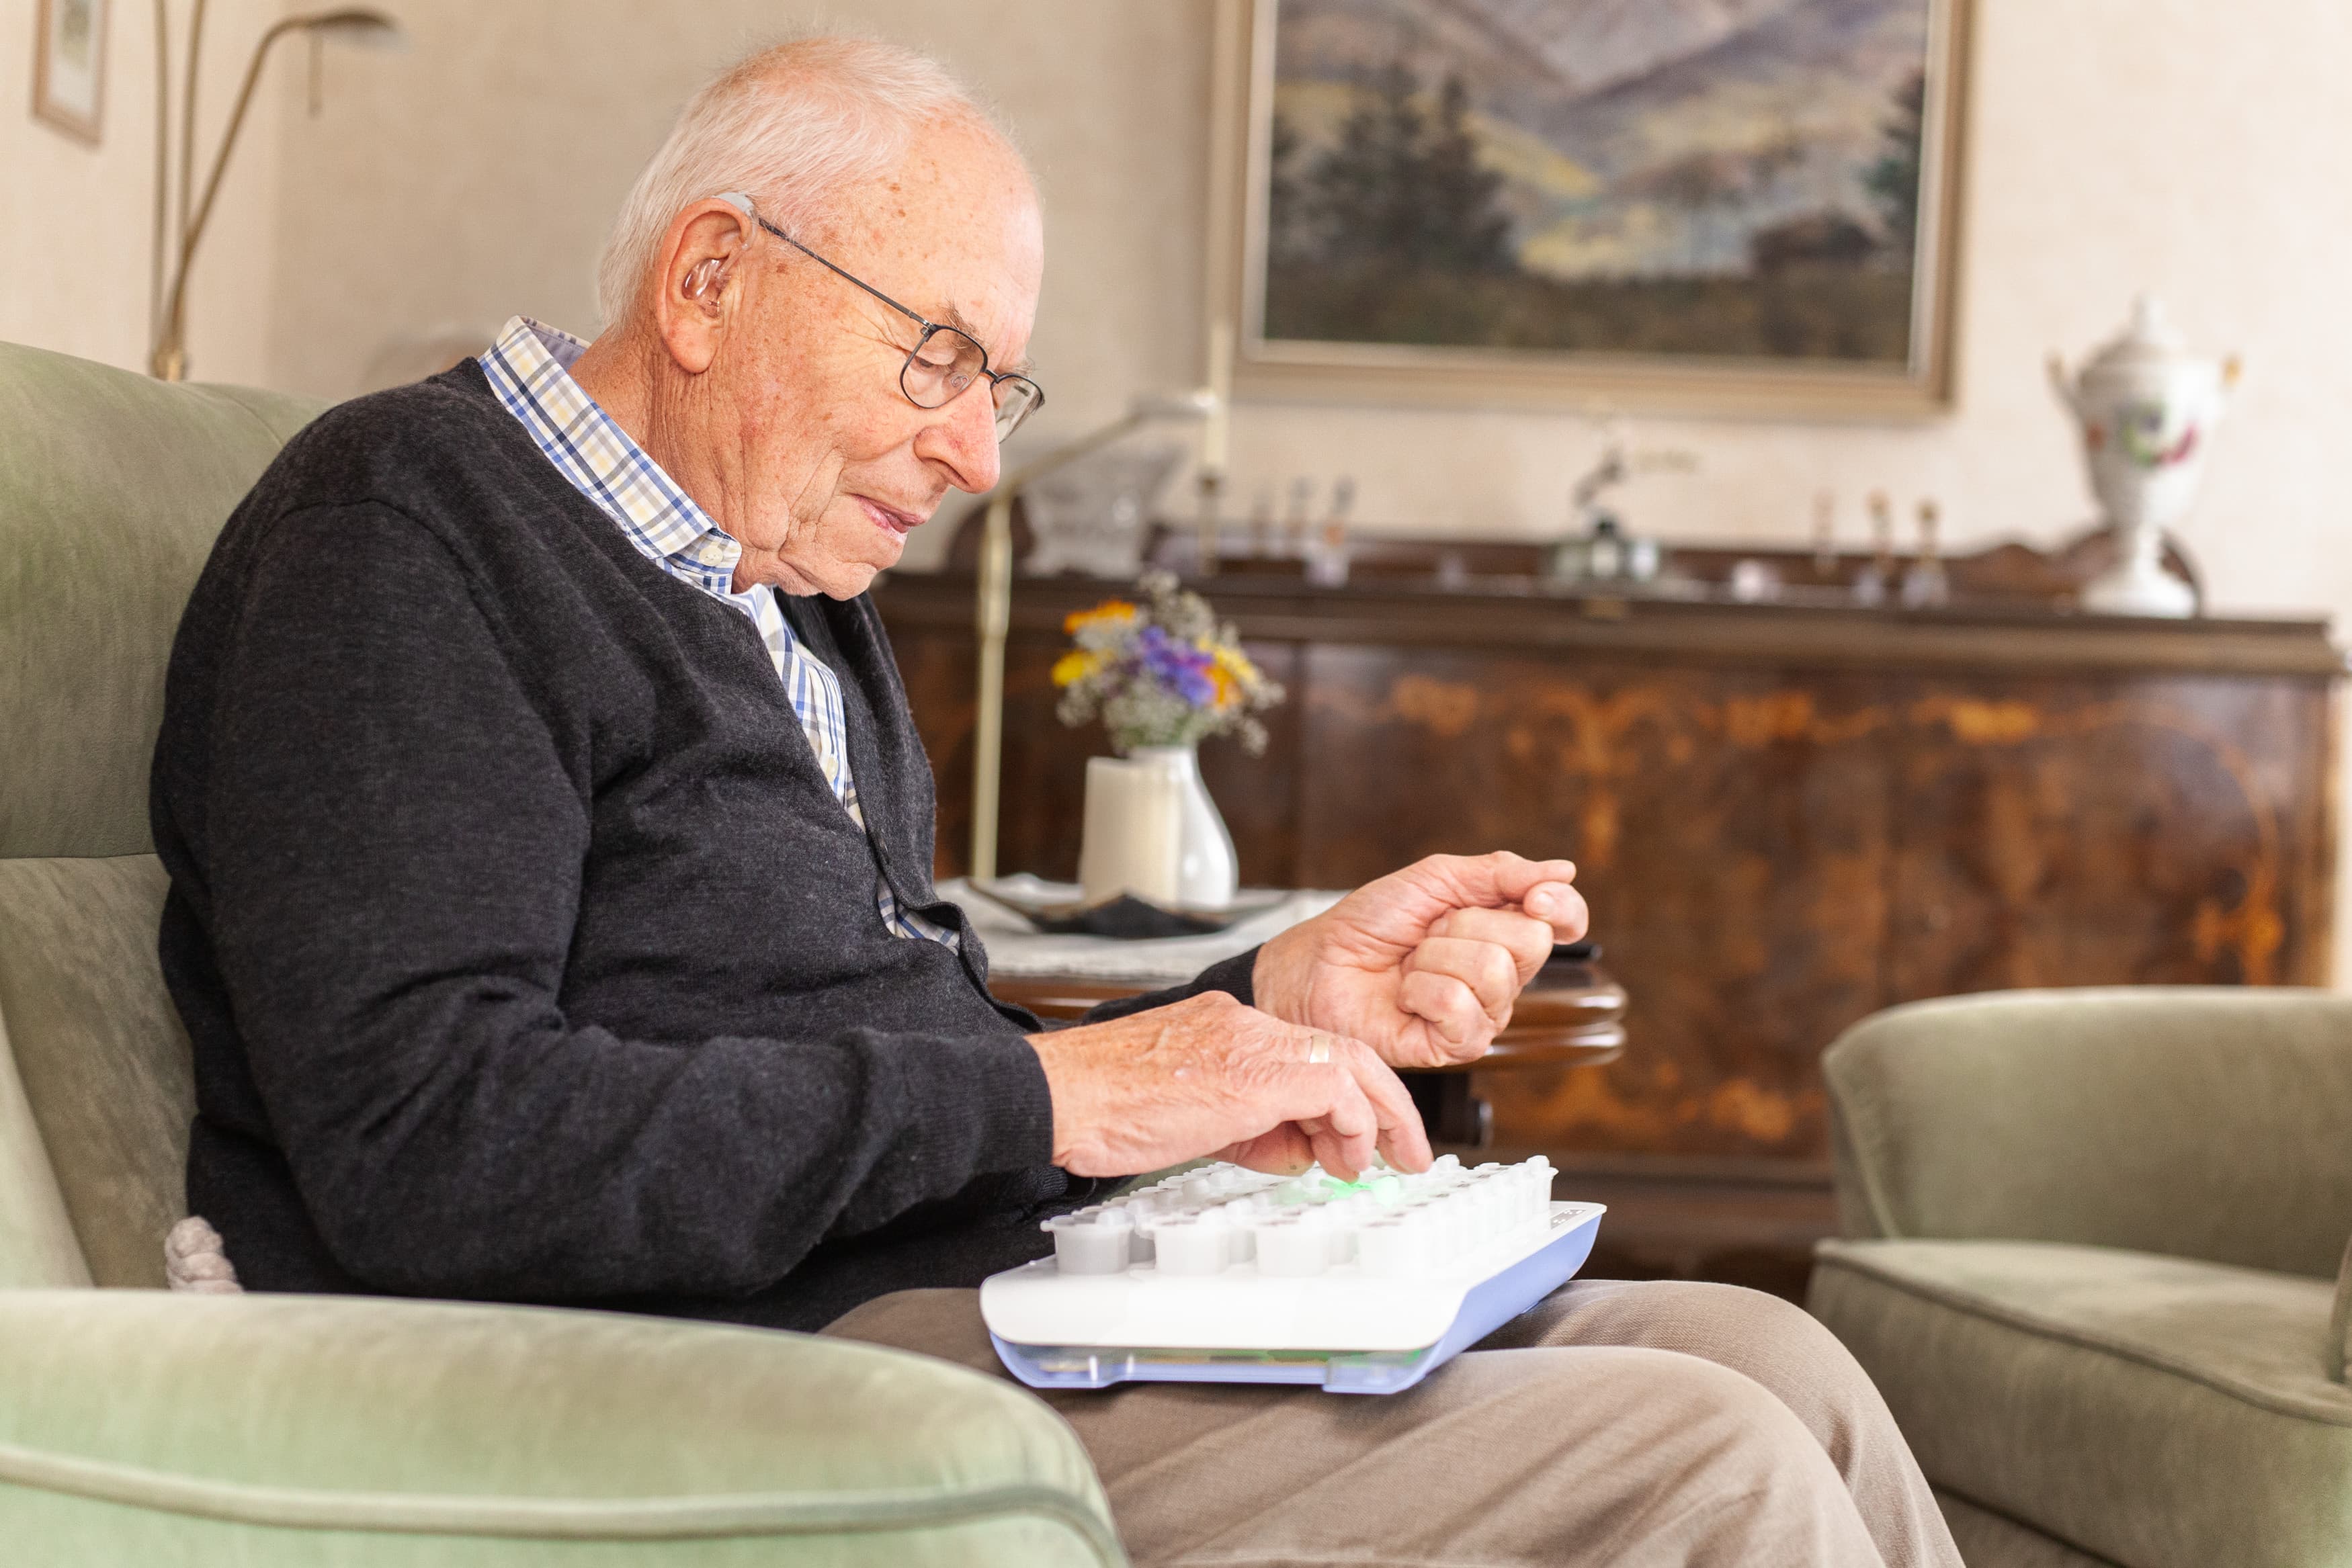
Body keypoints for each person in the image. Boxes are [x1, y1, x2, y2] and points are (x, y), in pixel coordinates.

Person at [151, 34, 1962, 1568]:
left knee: (1770, 1356)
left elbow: (882, 1047)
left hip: (974, 1293)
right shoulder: (408, 533)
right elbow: (436, 1152)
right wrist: (1045, 1088)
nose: (979, 452)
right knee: (1702, 1459)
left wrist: (1265, 1009)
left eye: (995, 382)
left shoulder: (782, 598)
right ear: (709, 281)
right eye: (934, 357)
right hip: (720, 1374)